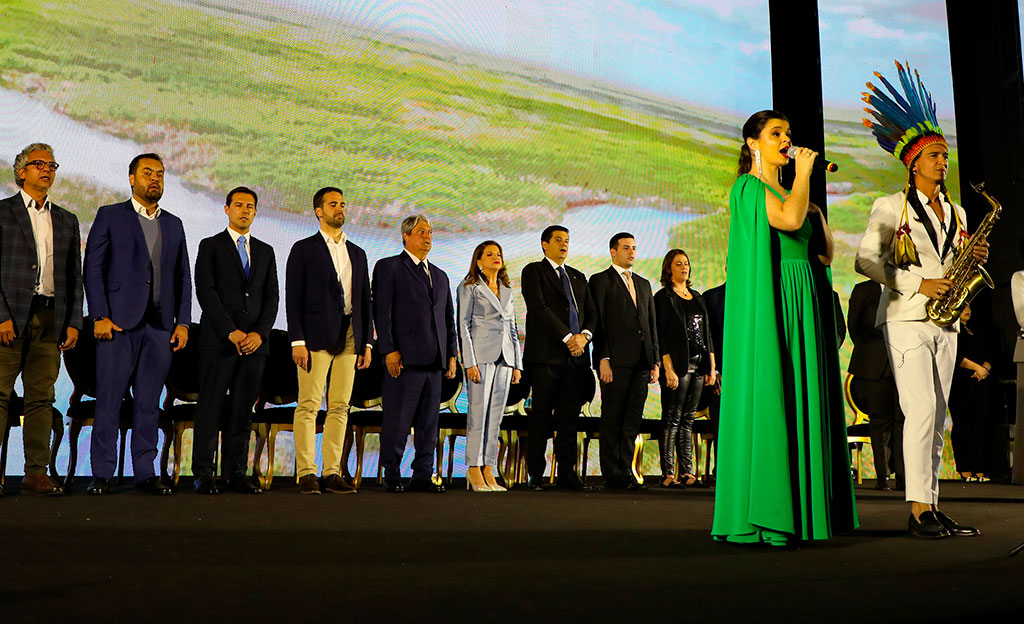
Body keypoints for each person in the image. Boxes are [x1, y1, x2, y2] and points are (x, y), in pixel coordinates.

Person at [711, 110, 857, 546]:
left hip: (805, 297)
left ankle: (808, 510)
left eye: (788, 133)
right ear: (753, 143)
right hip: (778, 300)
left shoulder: (792, 192)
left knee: (804, 394)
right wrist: (804, 180)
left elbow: (826, 255)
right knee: (779, 392)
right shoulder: (749, 187)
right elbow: (789, 223)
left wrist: (816, 208)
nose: (786, 140)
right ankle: (773, 513)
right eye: (775, 133)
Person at [857, 61, 987, 538]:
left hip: (946, 323)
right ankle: (916, 511)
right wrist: (919, 285)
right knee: (922, 410)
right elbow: (866, 262)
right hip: (908, 317)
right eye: (934, 155)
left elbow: (952, 266)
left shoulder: (957, 209)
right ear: (913, 162)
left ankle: (931, 504)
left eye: (945, 155)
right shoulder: (890, 206)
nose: (942, 161)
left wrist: (965, 282)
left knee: (939, 417)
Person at [83, 153, 191, 495]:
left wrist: (183, 322)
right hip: (117, 325)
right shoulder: (110, 215)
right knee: (110, 400)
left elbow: (182, 278)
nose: (155, 179)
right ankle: (102, 473)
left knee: (148, 403)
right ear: (132, 179)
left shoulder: (173, 223)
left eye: (160, 174)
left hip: (160, 328)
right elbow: (93, 269)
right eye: (147, 173)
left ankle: (145, 473)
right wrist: (99, 315)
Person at [0, 143, 82, 497]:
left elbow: (73, 277)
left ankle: (35, 473)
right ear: (21, 172)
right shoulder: (2, 213)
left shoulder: (66, 218)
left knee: (41, 398)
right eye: (38, 164)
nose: (46, 169)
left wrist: (74, 322)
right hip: (9, 319)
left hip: (51, 318)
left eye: (51, 165)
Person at [191, 187, 278, 495]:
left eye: (250, 206)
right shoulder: (210, 246)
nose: (244, 210)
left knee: (243, 411)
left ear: (256, 212)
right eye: (238, 205)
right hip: (219, 341)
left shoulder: (265, 251)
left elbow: (271, 298)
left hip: (255, 345)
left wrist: (259, 334)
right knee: (211, 408)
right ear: (226, 209)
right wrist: (232, 331)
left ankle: (236, 473)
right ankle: (203, 473)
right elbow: (206, 292)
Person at [286, 187, 373, 495]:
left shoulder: (358, 253)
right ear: (318, 211)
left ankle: (332, 472)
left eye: (343, 204)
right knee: (309, 405)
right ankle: (307, 472)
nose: (340, 208)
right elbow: (293, 298)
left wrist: (368, 344)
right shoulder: (303, 249)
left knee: (340, 406)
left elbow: (365, 300)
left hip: (351, 335)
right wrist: (297, 340)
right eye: (333, 204)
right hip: (314, 336)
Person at [373, 214, 457, 493]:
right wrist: (389, 350)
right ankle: (392, 473)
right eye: (421, 231)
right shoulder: (389, 268)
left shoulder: (441, 275)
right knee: (397, 420)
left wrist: (452, 354)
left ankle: (423, 473)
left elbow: (448, 319)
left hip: (435, 361)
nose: (428, 236)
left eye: (430, 232)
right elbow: (382, 313)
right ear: (406, 236)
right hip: (404, 359)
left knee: (428, 424)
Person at [520, 225, 597, 491]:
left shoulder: (577, 276)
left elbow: (591, 313)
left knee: (569, 418)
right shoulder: (534, 271)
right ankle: (536, 475)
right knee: (540, 416)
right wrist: (568, 338)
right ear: (545, 244)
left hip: (576, 359)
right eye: (558, 240)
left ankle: (566, 473)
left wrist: (584, 337)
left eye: (567, 240)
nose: (564, 245)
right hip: (546, 358)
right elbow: (538, 309)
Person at [589, 233, 659, 491]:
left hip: (642, 361)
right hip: (615, 361)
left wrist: (654, 361)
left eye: (634, 248)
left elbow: (651, 324)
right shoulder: (600, 281)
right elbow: (599, 323)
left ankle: (626, 472)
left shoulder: (643, 283)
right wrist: (603, 358)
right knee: (612, 419)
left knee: (631, 421)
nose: (632, 252)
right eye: (626, 248)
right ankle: (612, 474)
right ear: (613, 251)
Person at [456, 241, 523, 492]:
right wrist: (469, 362)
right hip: (481, 356)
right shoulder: (469, 287)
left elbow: (513, 329)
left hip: (505, 357)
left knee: (496, 417)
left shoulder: (507, 289)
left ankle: (488, 468)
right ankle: (473, 468)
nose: (496, 257)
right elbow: (462, 326)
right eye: (490, 254)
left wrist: (517, 363)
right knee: (478, 415)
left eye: (499, 254)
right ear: (479, 261)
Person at [654, 249, 714, 489]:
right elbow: (662, 336)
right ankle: (668, 473)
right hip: (677, 365)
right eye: (678, 264)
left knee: (688, 419)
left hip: (699, 365)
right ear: (669, 268)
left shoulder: (697, 296)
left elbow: (707, 333)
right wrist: (667, 368)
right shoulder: (663, 297)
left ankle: (688, 472)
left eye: (686, 263)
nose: (684, 267)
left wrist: (712, 366)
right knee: (672, 417)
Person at [847, 279, 905, 491]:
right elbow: (853, 325)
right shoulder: (864, 290)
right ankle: (883, 477)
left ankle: (903, 476)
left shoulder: (905, 285)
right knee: (880, 422)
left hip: (903, 364)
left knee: (903, 420)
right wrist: (872, 352)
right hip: (873, 365)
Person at [948, 305, 996, 482]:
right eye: (963, 307)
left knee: (981, 424)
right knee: (963, 424)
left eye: (969, 306)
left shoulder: (978, 329)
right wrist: (976, 368)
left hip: (981, 382)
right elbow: (955, 356)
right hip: (960, 383)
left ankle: (980, 467)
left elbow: (991, 352)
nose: (968, 309)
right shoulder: (951, 331)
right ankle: (964, 467)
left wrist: (985, 368)